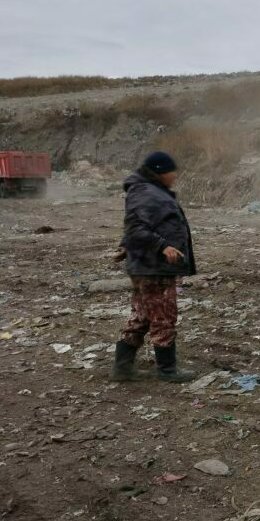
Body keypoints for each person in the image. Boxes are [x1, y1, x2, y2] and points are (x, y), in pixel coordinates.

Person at [110, 151, 197, 383]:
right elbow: (136, 227)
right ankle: (167, 371)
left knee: (143, 317)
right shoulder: (146, 193)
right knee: (163, 317)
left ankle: (122, 368)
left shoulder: (149, 191)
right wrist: (163, 247)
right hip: (153, 267)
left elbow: (136, 226)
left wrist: (126, 246)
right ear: (159, 172)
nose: (175, 175)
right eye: (171, 171)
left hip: (148, 266)